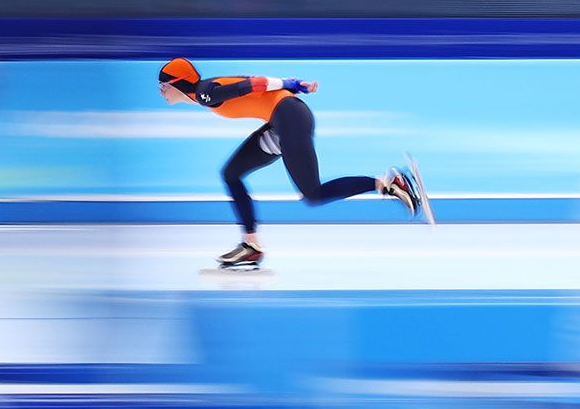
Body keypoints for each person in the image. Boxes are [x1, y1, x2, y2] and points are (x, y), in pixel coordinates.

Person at [159, 58, 424, 272]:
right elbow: (249, 84)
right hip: (281, 120)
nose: (161, 91)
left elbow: (252, 84)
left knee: (313, 194)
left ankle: (388, 183)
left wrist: (289, 83)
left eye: (163, 85)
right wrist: (295, 85)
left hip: (290, 118)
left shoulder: (204, 93)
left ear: (177, 83)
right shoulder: (205, 91)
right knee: (231, 174)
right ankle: (251, 246)